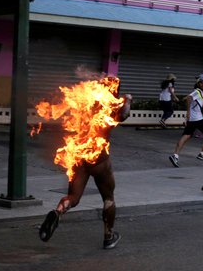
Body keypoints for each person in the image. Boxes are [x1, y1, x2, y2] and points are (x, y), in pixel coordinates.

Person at [38, 86, 132, 250]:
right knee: (108, 197)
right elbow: (124, 114)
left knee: (73, 197)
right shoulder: (106, 113)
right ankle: (108, 236)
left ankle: (58, 211)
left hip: (79, 160)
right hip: (100, 161)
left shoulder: (80, 111)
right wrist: (128, 100)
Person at [168, 73, 203, 166]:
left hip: (192, 120)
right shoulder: (198, 92)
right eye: (202, 83)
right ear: (198, 83)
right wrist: (188, 112)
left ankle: (175, 155)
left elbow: (188, 97)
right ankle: (202, 154)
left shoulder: (197, 92)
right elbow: (189, 98)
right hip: (198, 119)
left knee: (186, 136)